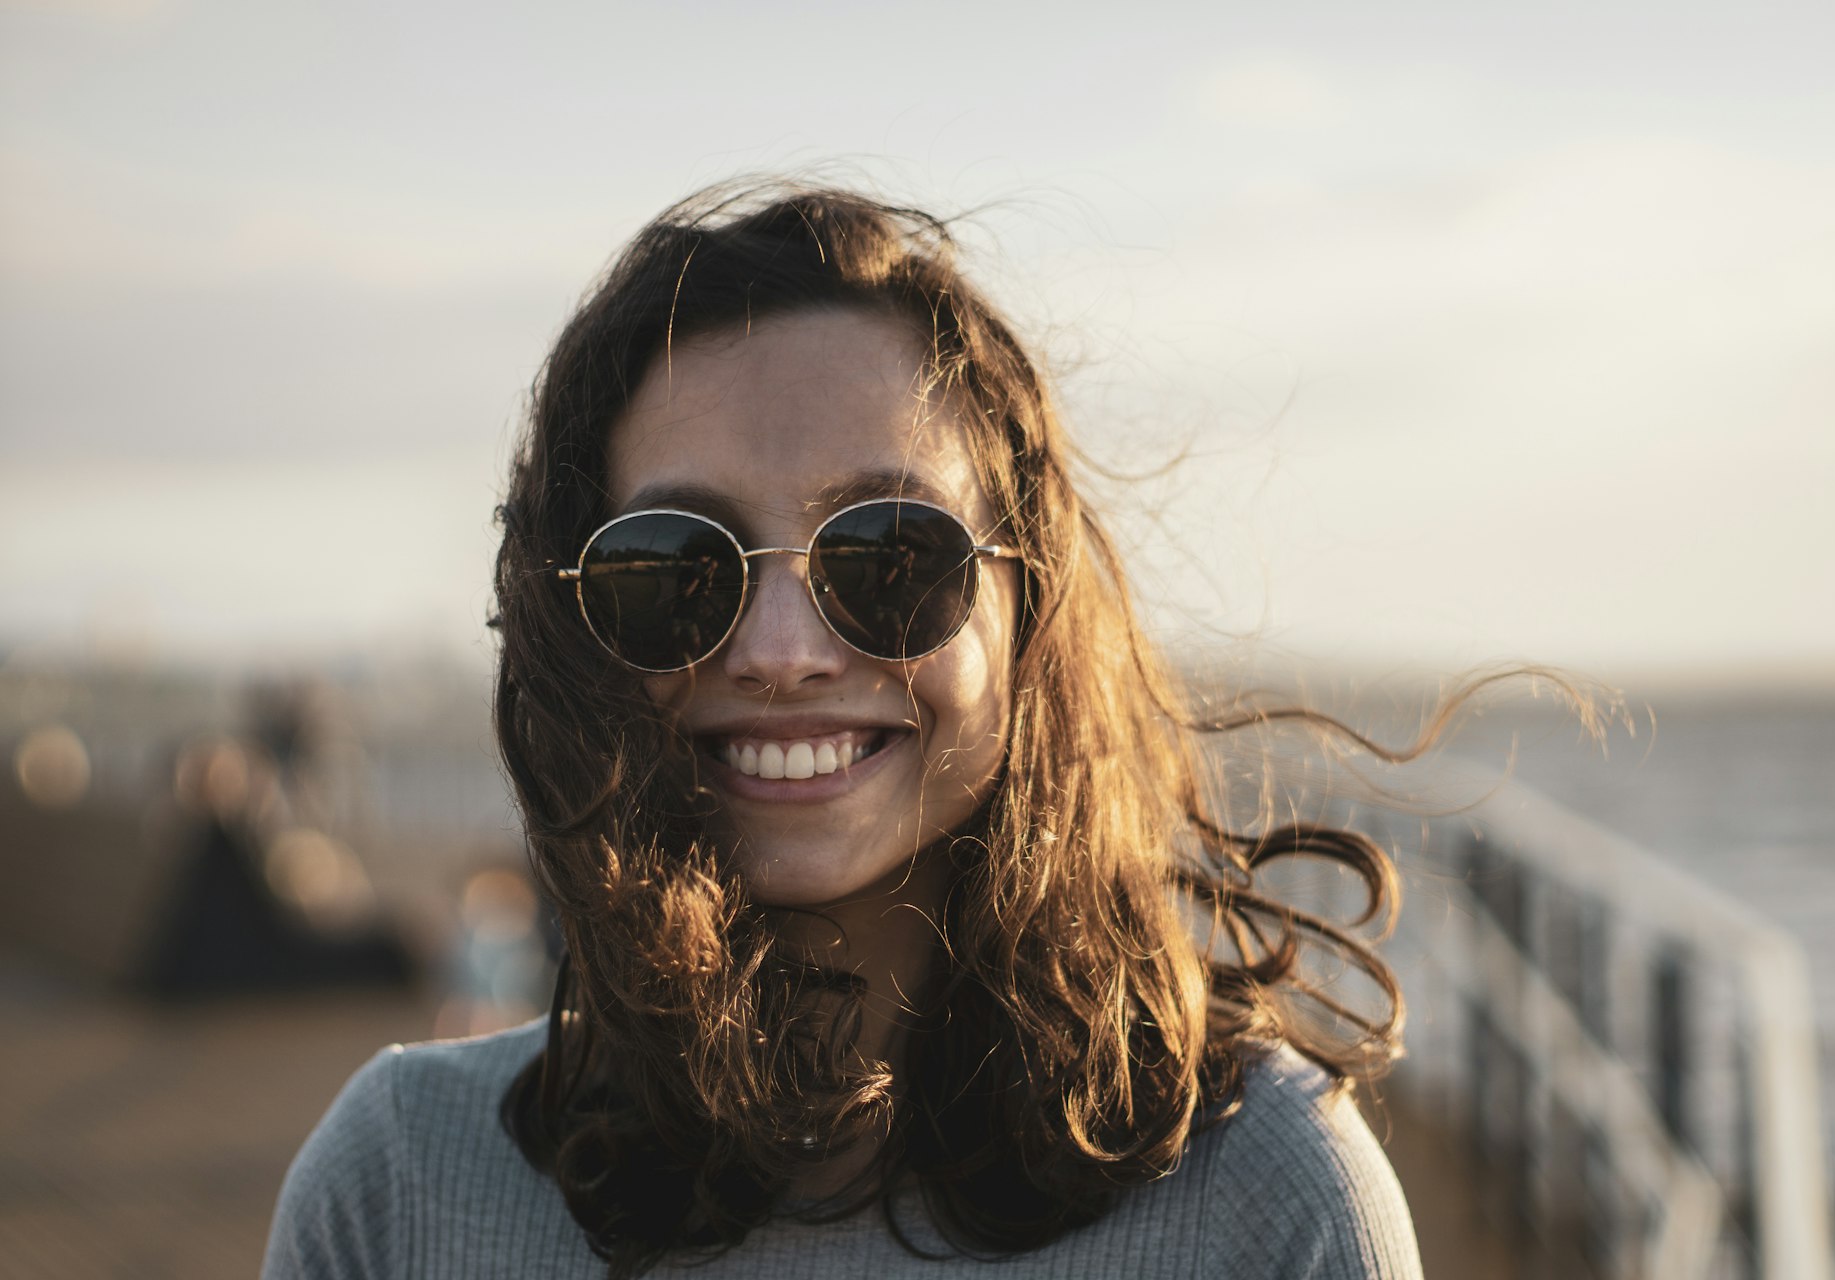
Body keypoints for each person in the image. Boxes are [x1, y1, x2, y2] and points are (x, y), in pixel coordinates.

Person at [263, 184, 1424, 1278]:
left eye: (890, 555)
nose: (783, 649)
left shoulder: (1261, 1198)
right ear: (573, 631)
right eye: (675, 566)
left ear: (1033, 607)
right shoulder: (402, 1187)